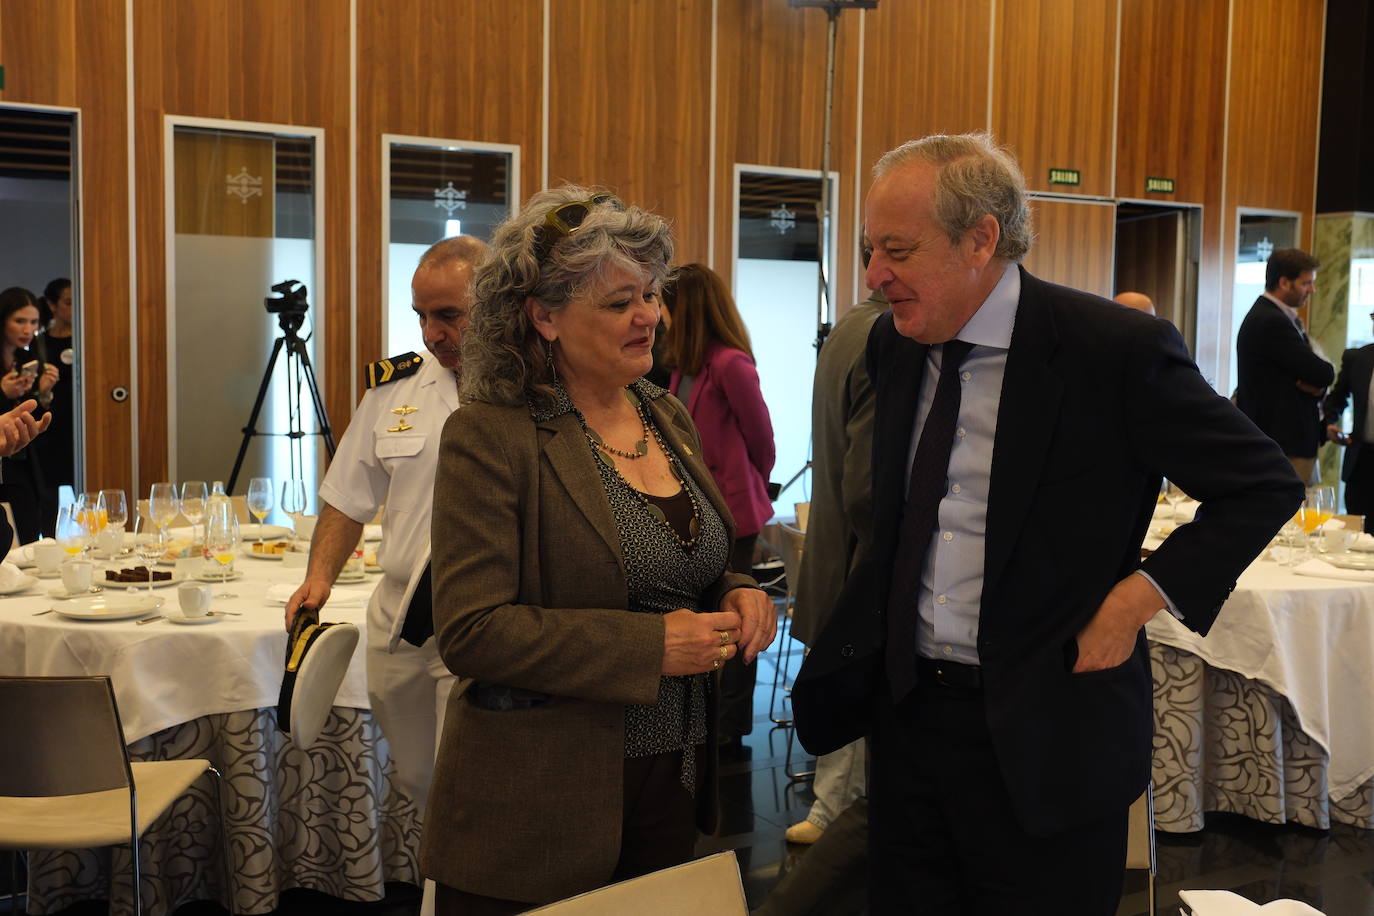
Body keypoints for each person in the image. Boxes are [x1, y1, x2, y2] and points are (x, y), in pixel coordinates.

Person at [791, 133, 1302, 913]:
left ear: (980, 240)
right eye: (869, 249)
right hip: (911, 725)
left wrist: (1136, 600)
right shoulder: (895, 348)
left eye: (896, 249)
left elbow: (1262, 484)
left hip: (1048, 731)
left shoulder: (1111, 351)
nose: (873, 275)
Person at [422, 186, 777, 914]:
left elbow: (678, 560)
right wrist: (650, 647)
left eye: (650, 293)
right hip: (541, 803)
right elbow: (471, 629)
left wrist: (733, 589)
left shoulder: (663, 411)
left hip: (671, 780)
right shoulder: (492, 434)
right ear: (544, 316)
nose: (650, 315)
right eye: (619, 303)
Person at [284, 235, 487, 853]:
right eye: (421, 315)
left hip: (481, 617)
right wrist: (318, 578)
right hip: (397, 619)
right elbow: (348, 497)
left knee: (469, 786)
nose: (432, 333)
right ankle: (439, 886)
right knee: (417, 779)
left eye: (448, 314)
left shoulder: (533, 389)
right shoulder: (392, 389)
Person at [783, 284, 885, 847]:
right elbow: (867, 484)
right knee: (853, 688)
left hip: (832, 539)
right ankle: (834, 816)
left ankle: (831, 810)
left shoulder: (849, 324)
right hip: (856, 551)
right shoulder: (881, 335)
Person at [661, 262, 776, 749]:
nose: (656, 313)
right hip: (692, 511)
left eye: (662, 301)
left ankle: (730, 728)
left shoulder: (730, 363)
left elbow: (762, 439)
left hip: (732, 512)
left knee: (737, 623)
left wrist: (753, 483)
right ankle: (707, 720)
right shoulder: (687, 366)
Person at [1235, 248, 1331, 483]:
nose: (1312, 290)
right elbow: (1324, 372)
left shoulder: (1275, 317)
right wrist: (1321, 383)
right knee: (1290, 517)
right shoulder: (1272, 321)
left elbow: (1316, 377)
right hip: (1281, 444)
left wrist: (1318, 387)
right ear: (1284, 282)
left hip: (1279, 442)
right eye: (1306, 283)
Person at [0, 287, 59, 543]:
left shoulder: (28, 359)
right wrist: (1, 391)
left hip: (26, 459)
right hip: (4, 463)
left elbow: (30, 411)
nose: (27, 329)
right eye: (19, 321)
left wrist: (42, 393)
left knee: (31, 528)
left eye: (33, 322)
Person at [1323, 320, 1374, 532]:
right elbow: (1337, 398)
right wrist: (1329, 422)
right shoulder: (1358, 358)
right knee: (1357, 530)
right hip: (1362, 460)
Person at [37, 278, 75, 534]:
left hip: (80, 427)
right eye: (69, 302)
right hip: (50, 429)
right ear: (52, 305)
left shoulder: (88, 340)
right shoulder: (39, 346)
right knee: (47, 501)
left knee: (85, 496)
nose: (75, 308)